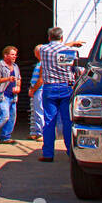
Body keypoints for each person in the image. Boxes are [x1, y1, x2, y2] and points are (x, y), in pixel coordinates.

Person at [37, 27, 83, 161]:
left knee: (49, 121)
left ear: (49, 38)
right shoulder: (68, 51)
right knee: (67, 121)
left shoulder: (44, 50)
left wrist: (68, 43)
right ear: (61, 38)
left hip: (49, 87)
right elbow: (71, 66)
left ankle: (48, 154)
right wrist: (71, 44)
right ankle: (70, 152)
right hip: (65, 87)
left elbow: (48, 47)